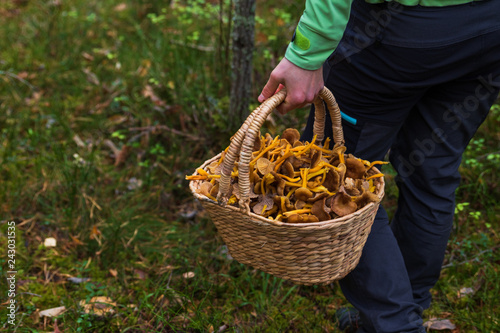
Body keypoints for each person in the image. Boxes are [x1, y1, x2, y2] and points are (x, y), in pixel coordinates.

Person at [258, 0, 500, 332]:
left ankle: (395, 322)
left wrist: (306, 51)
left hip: (396, 29)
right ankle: (404, 309)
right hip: (486, 31)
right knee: (433, 173)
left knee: (333, 179)